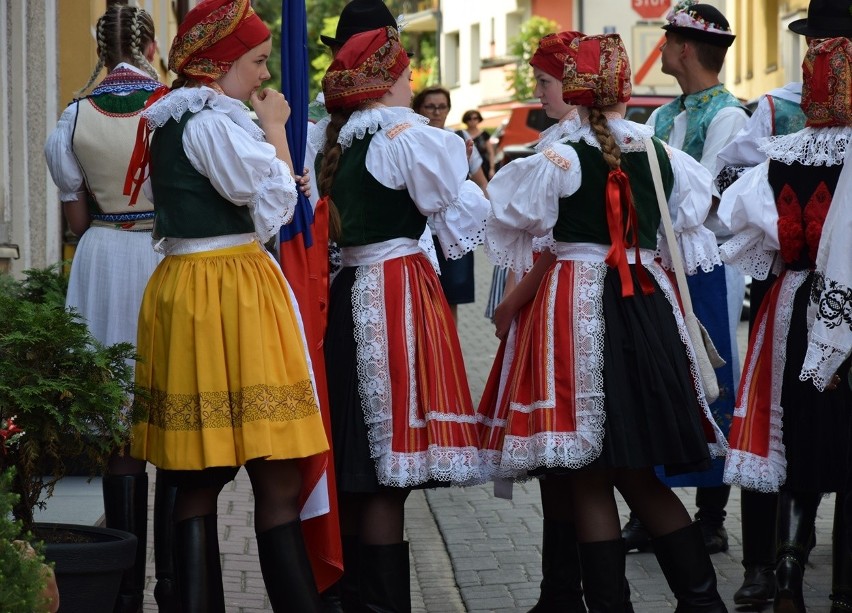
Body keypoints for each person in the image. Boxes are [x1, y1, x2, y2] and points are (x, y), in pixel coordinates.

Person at [480, 32, 728, 612]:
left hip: (578, 311)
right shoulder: (660, 152)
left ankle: (612, 607)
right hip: (645, 307)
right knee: (640, 473)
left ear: (574, 89)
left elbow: (512, 217)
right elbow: (691, 225)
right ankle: (702, 603)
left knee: (589, 474)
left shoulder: (557, 156)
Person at [127, 1, 329, 611]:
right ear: (219, 64)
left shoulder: (175, 119)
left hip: (193, 286)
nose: (265, 77)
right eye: (258, 62)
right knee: (266, 471)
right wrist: (273, 130)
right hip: (229, 286)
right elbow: (273, 206)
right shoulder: (213, 123)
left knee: (205, 475)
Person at [318, 25, 488, 611]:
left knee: (360, 464)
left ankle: (359, 598)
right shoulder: (405, 135)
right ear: (388, 80)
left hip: (347, 300)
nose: (414, 82)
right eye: (408, 73)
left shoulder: (339, 137)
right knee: (386, 476)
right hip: (394, 297)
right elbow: (461, 210)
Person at [43, 6, 172, 612]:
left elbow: (75, 217)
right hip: (162, 254)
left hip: (102, 254)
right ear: (151, 42)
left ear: (101, 45)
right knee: (169, 408)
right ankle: (172, 580)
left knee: (117, 419)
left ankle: (124, 589)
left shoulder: (72, 116)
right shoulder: (176, 107)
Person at [720, 34, 852, 613]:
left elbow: (751, 238)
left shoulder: (781, 154)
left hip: (793, 309)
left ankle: (789, 577)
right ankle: (844, 590)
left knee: (798, 446)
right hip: (841, 311)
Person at [622, 0, 749, 555]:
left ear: (686, 48)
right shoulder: (664, 115)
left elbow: (714, 201)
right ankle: (654, 504)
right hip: (662, 261)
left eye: (668, 39)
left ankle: (712, 514)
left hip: (707, 265)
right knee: (659, 374)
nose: (663, 48)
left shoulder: (730, 117)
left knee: (711, 370)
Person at [412, 86, 487, 324]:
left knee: (452, 297)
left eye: (441, 107)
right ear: (419, 109)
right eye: (430, 107)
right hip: (420, 232)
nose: (436, 112)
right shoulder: (411, 139)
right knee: (423, 297)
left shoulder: (460, 140)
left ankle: (451, 353)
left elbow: (481, 183)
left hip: (454, 231)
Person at [460, 109, 496, 179]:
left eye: (475, 118)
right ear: (465, 120)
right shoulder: (461, 135)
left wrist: (492, 169)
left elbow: (491, 153)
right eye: (469, 118)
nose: (472, 121)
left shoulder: (484, 134)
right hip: (468, 167)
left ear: (479, 119)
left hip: (485, 166)